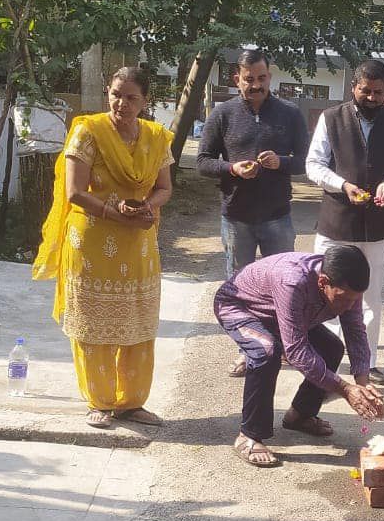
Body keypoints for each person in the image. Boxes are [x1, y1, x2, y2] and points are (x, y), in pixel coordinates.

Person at [32, 66, 174, 429]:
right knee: (94, 326)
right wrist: (116, 212)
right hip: (93, 243)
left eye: (131, 97)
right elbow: (75, 192)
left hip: (139, 241)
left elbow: (164, 188)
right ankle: (99, 402)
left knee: (137, 323)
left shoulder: (157, 137)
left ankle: (131, 403)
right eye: (115, 94)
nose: (121, 103)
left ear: (145, 101)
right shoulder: (88, 131)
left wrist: (147, 206)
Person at [214, 246, 384, 467]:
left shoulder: (346, 287)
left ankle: (300, 415)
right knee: (266, 352)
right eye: (343, 299)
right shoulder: (292, 281)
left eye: (355, 299)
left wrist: (363, 385)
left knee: (331, 348)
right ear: (323, 282)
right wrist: (345, 389)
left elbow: (355, 329)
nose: (349, 306)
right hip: (240, 307)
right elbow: (296, 350)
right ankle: (249, 434)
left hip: (284, 314)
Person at [197, 49, 310, 378]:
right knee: (240, 287)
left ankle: (288, 347)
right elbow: (203, 161)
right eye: (249, 80)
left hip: (278, 216)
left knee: (285, 285)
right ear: (237, 80)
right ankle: (249, 351)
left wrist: (282, 163)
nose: (256, 85)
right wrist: (231, 168)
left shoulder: (289, 114)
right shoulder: (223, 114)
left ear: (270, 78)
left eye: (261, 79)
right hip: (236, 217)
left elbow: (306, 160)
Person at [306, 60, 384, 385]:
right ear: (353, 87)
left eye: (378, 92)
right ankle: (322, 361)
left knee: (369, 297)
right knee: (324, 291)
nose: (371, 97)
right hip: (335, 223)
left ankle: (366, 364)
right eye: (365, 90)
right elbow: (313, 164)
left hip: (377, 228)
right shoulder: (331, 117)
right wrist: (342, 185)